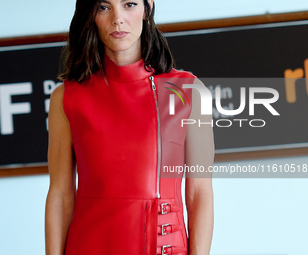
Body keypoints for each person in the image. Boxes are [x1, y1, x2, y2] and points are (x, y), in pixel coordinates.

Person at [45, 0, 215, 254]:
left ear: (148, 8)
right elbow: (60, 195)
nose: (117, 18)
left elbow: (199, 192)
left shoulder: (189, 91)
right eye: (104, 7)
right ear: (90, 14)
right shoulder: (66, 97)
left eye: (129, 4)